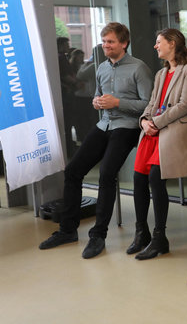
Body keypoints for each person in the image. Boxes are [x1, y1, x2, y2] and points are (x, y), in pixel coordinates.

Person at [39, 22, 153, 259]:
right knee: (72, 171)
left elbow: (148, 105)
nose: (106, 45)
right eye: (104, 41)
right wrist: (97, 101)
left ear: (124, 43)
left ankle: (97, 235)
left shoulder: (138, 68)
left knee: (106, 174)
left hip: (128, 127)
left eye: (110, 41)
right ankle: (67, 230)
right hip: (105, 124)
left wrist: (118, 103)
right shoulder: (101, 68)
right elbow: (97, 95)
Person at [127, 28, 187, 260]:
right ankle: (142, 233)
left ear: (172, 43)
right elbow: (151, 103)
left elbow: (186, 104)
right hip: (156, 129)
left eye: (159, 42)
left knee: (155, 178)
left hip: (176, 129)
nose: (155, 46)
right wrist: (144, 122)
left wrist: (155, 123)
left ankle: (160, 238)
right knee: (138, 178)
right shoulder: (161, 74)